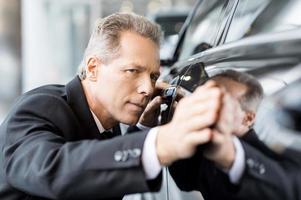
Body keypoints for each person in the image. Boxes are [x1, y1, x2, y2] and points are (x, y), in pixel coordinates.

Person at [0, 13, 234, 200]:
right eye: (132, 71)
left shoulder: (106, 121)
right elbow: (52, 171)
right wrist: (157, 145)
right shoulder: (36, 108)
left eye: (153, 76)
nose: (146, 88)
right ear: (93, 69)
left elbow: (99, 182)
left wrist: (143, 130)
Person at [170, 70, 296, 200]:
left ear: (248, 118)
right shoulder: (207, 140)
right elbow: (186, 181)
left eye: (220, 101)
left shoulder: (268, 162)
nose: (203, 107)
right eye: (202, 98)